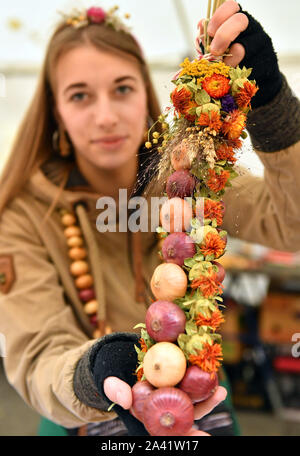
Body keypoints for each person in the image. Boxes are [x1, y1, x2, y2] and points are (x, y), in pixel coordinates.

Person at [0, 0, 300, 436]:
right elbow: (37, 357)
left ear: (145, 93)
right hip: (83, 411)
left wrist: (272, 106)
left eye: (122, 88)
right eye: (80, 95)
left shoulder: (187, 175)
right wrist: (94, 374)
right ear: (56, 110)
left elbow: (289, 224)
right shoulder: (23, 214)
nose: (105, 116)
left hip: (198, 396)